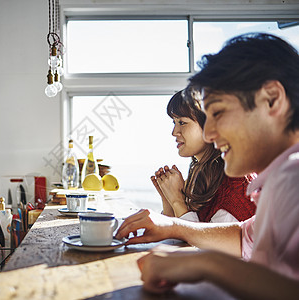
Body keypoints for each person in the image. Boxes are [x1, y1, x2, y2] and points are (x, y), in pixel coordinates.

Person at [116, 32, 299, 299]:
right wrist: (173, 226)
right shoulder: (279, 180)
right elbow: (242, 238)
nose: (210, 133)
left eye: (218, 113)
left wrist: (206, 264)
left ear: (271, 99)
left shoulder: (293, 179)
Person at [152, 90, 256, 222]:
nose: (174, 132)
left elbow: (201, 241)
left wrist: (177, 200)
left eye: (182, 122)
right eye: (174, 122)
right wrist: (169, 203)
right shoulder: (205, 177)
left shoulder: (235, 188)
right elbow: (175, 237)